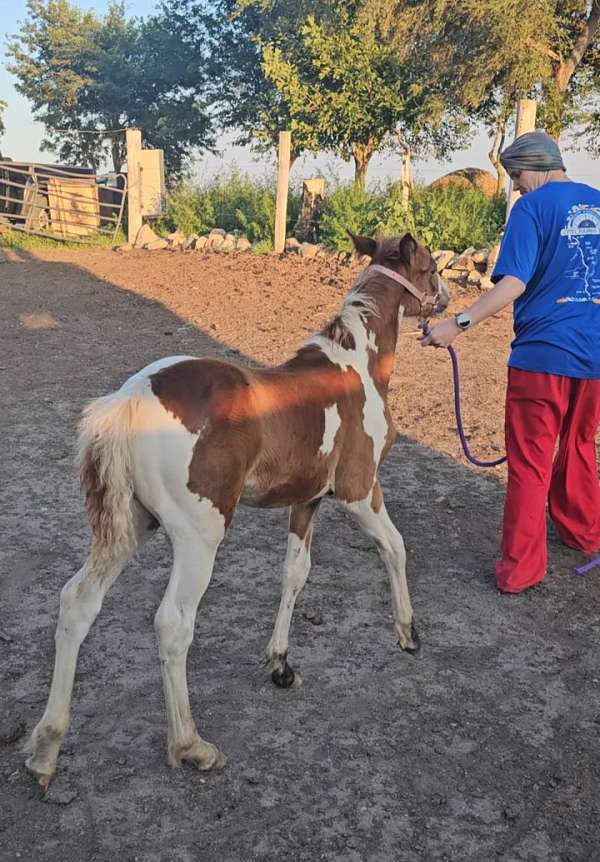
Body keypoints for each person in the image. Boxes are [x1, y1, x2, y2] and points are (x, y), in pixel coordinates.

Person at [420, 130, 600, 593]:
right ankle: (583, 534)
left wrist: (454, 324)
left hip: (543, 357)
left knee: (530, 463)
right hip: (594, 358)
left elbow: (513, 284)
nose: (516, 187)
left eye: (517, 176)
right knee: (578, 444)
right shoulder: (597, 202)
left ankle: (521, 570)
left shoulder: (532, 208)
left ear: (536, 166)